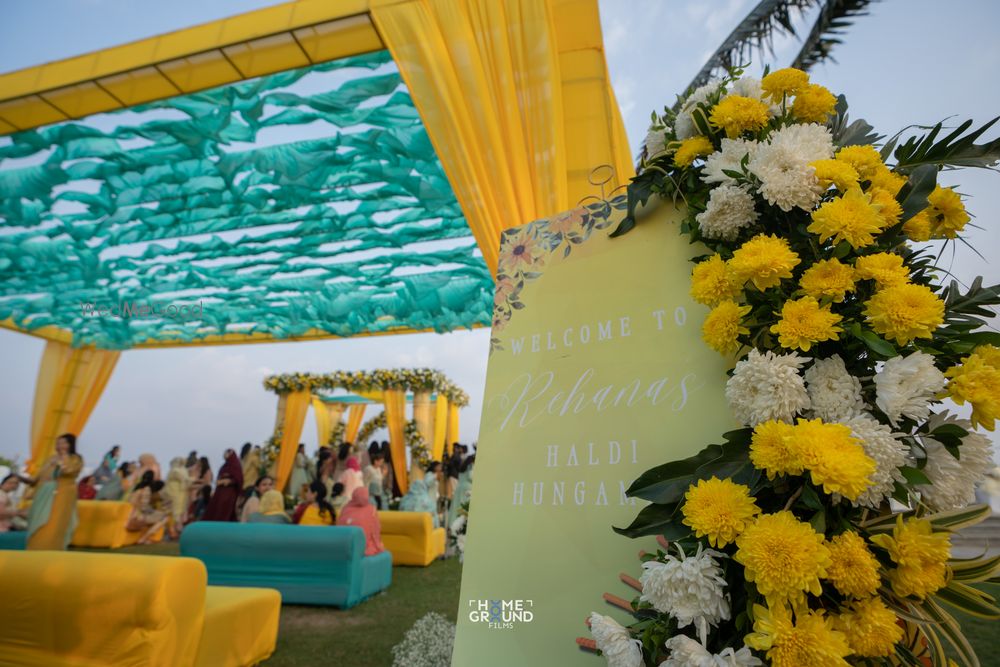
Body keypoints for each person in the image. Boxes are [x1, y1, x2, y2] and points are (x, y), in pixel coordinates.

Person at [23, 433, 83, 550]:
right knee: (37, 521)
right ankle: (35, 548)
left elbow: (69, 471)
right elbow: (39, 475)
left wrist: (62, 460)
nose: (59, 445)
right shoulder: (51, 458)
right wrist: (28, 480)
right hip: (44, 493)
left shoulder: (76, 459)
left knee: (54, 523)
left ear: (70, 444)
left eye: (63, 443)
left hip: (62, 494)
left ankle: (52, 549)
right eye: (58, 443)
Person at [337, 487, 385, 555]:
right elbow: (375, 531)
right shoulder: (371, 510)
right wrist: (378, 545)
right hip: (363, 548)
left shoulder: (345, 509)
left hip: (343, 546)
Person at [202, 449, 243, 521]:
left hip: (229, 492)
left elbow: (239, 478)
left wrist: (229, 481)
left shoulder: (235, 464)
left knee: (224, 509)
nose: (224, 455)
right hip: (220, 491)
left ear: (231, 453)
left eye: (226, 453)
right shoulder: (224, 466)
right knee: (215, 508)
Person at [127, 480, 169, 544]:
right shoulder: (147, 491)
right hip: (136, 518)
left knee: (162, 516)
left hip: (135, 516)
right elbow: (144, 508)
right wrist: (154, 511)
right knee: (164, 518)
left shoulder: (142, 489)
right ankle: (143, 538)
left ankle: (144, 538)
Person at [163, 457, 191, 538]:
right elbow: (183, 479)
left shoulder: (181, 470)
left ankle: (176, 530)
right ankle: (174, 530)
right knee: (175, 511)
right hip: (175, 492)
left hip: (180, 493)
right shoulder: (175, 470)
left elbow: (185, 480)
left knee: (178, 511)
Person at [448, 455, 475, 528]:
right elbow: (471, 476)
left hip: (459, 488)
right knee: (463, 508)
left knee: (456, 507)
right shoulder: (471, 466)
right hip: (467, 489)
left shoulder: (463, 467)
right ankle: (460, 527)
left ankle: (452, 526)